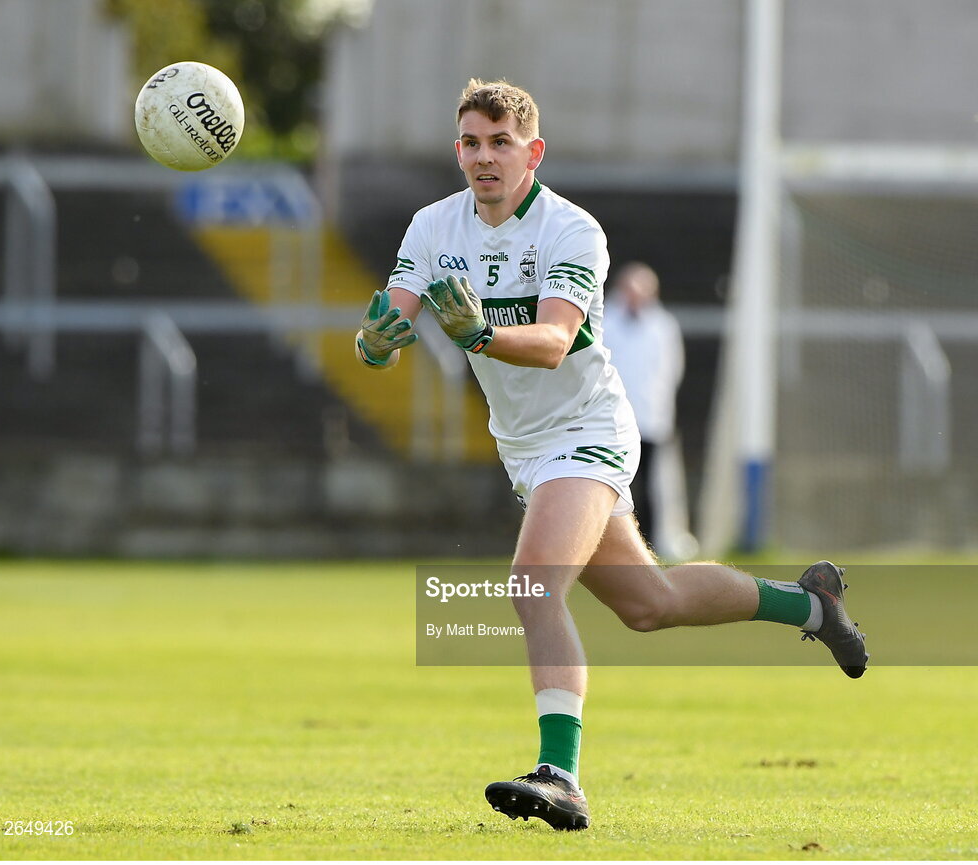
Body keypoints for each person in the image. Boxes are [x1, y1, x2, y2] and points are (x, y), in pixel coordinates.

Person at [354, 78, 868, 832]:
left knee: (532, 587)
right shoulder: (433, 226)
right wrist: (373, 344)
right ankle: (810, 604)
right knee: (648, 605)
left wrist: (477, 336)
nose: (484, 157)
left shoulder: (572, 230)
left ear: (533, 152)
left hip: (589, 428)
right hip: (525, 447)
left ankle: (561, 776)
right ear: (456, 149)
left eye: (501, 143)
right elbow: (385, 326)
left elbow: (555, 342)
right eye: (471, 141)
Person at [601, 262, 684, 555]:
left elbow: (672, 371)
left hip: (649, 420)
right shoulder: (603, 320)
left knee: (648, 486)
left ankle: (646, 546)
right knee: (613, 483)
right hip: (609, 420)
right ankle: (611, 547)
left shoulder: (663, 326)